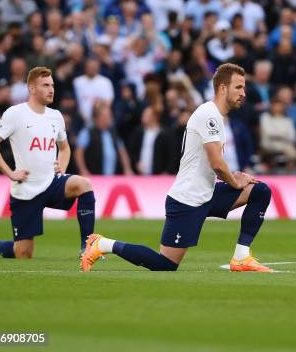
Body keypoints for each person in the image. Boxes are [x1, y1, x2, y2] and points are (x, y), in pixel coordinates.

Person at [80, 64, 273, 272]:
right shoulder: (209, 115)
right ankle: (102, 244)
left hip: (206, 194)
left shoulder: (216, 116)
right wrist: (235, 181)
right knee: (165, 265)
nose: (243, 93)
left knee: (260, 191)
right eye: (239, 87)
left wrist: (235, 179)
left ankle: (241, 257)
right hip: (187, 199)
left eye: (244, 88)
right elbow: (216, 163)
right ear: (223, 88)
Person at [0, 67, 96, 259]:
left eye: (52, 85)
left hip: (51, 183)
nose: (51, 89)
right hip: (26, 190)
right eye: (45, 85)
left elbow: (65, 148)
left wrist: (62, 166)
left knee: (84, 185)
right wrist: (10, 173)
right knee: (23, 253)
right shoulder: (15, 113)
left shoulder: (56, 116)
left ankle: (88, 246)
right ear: (32, 88)